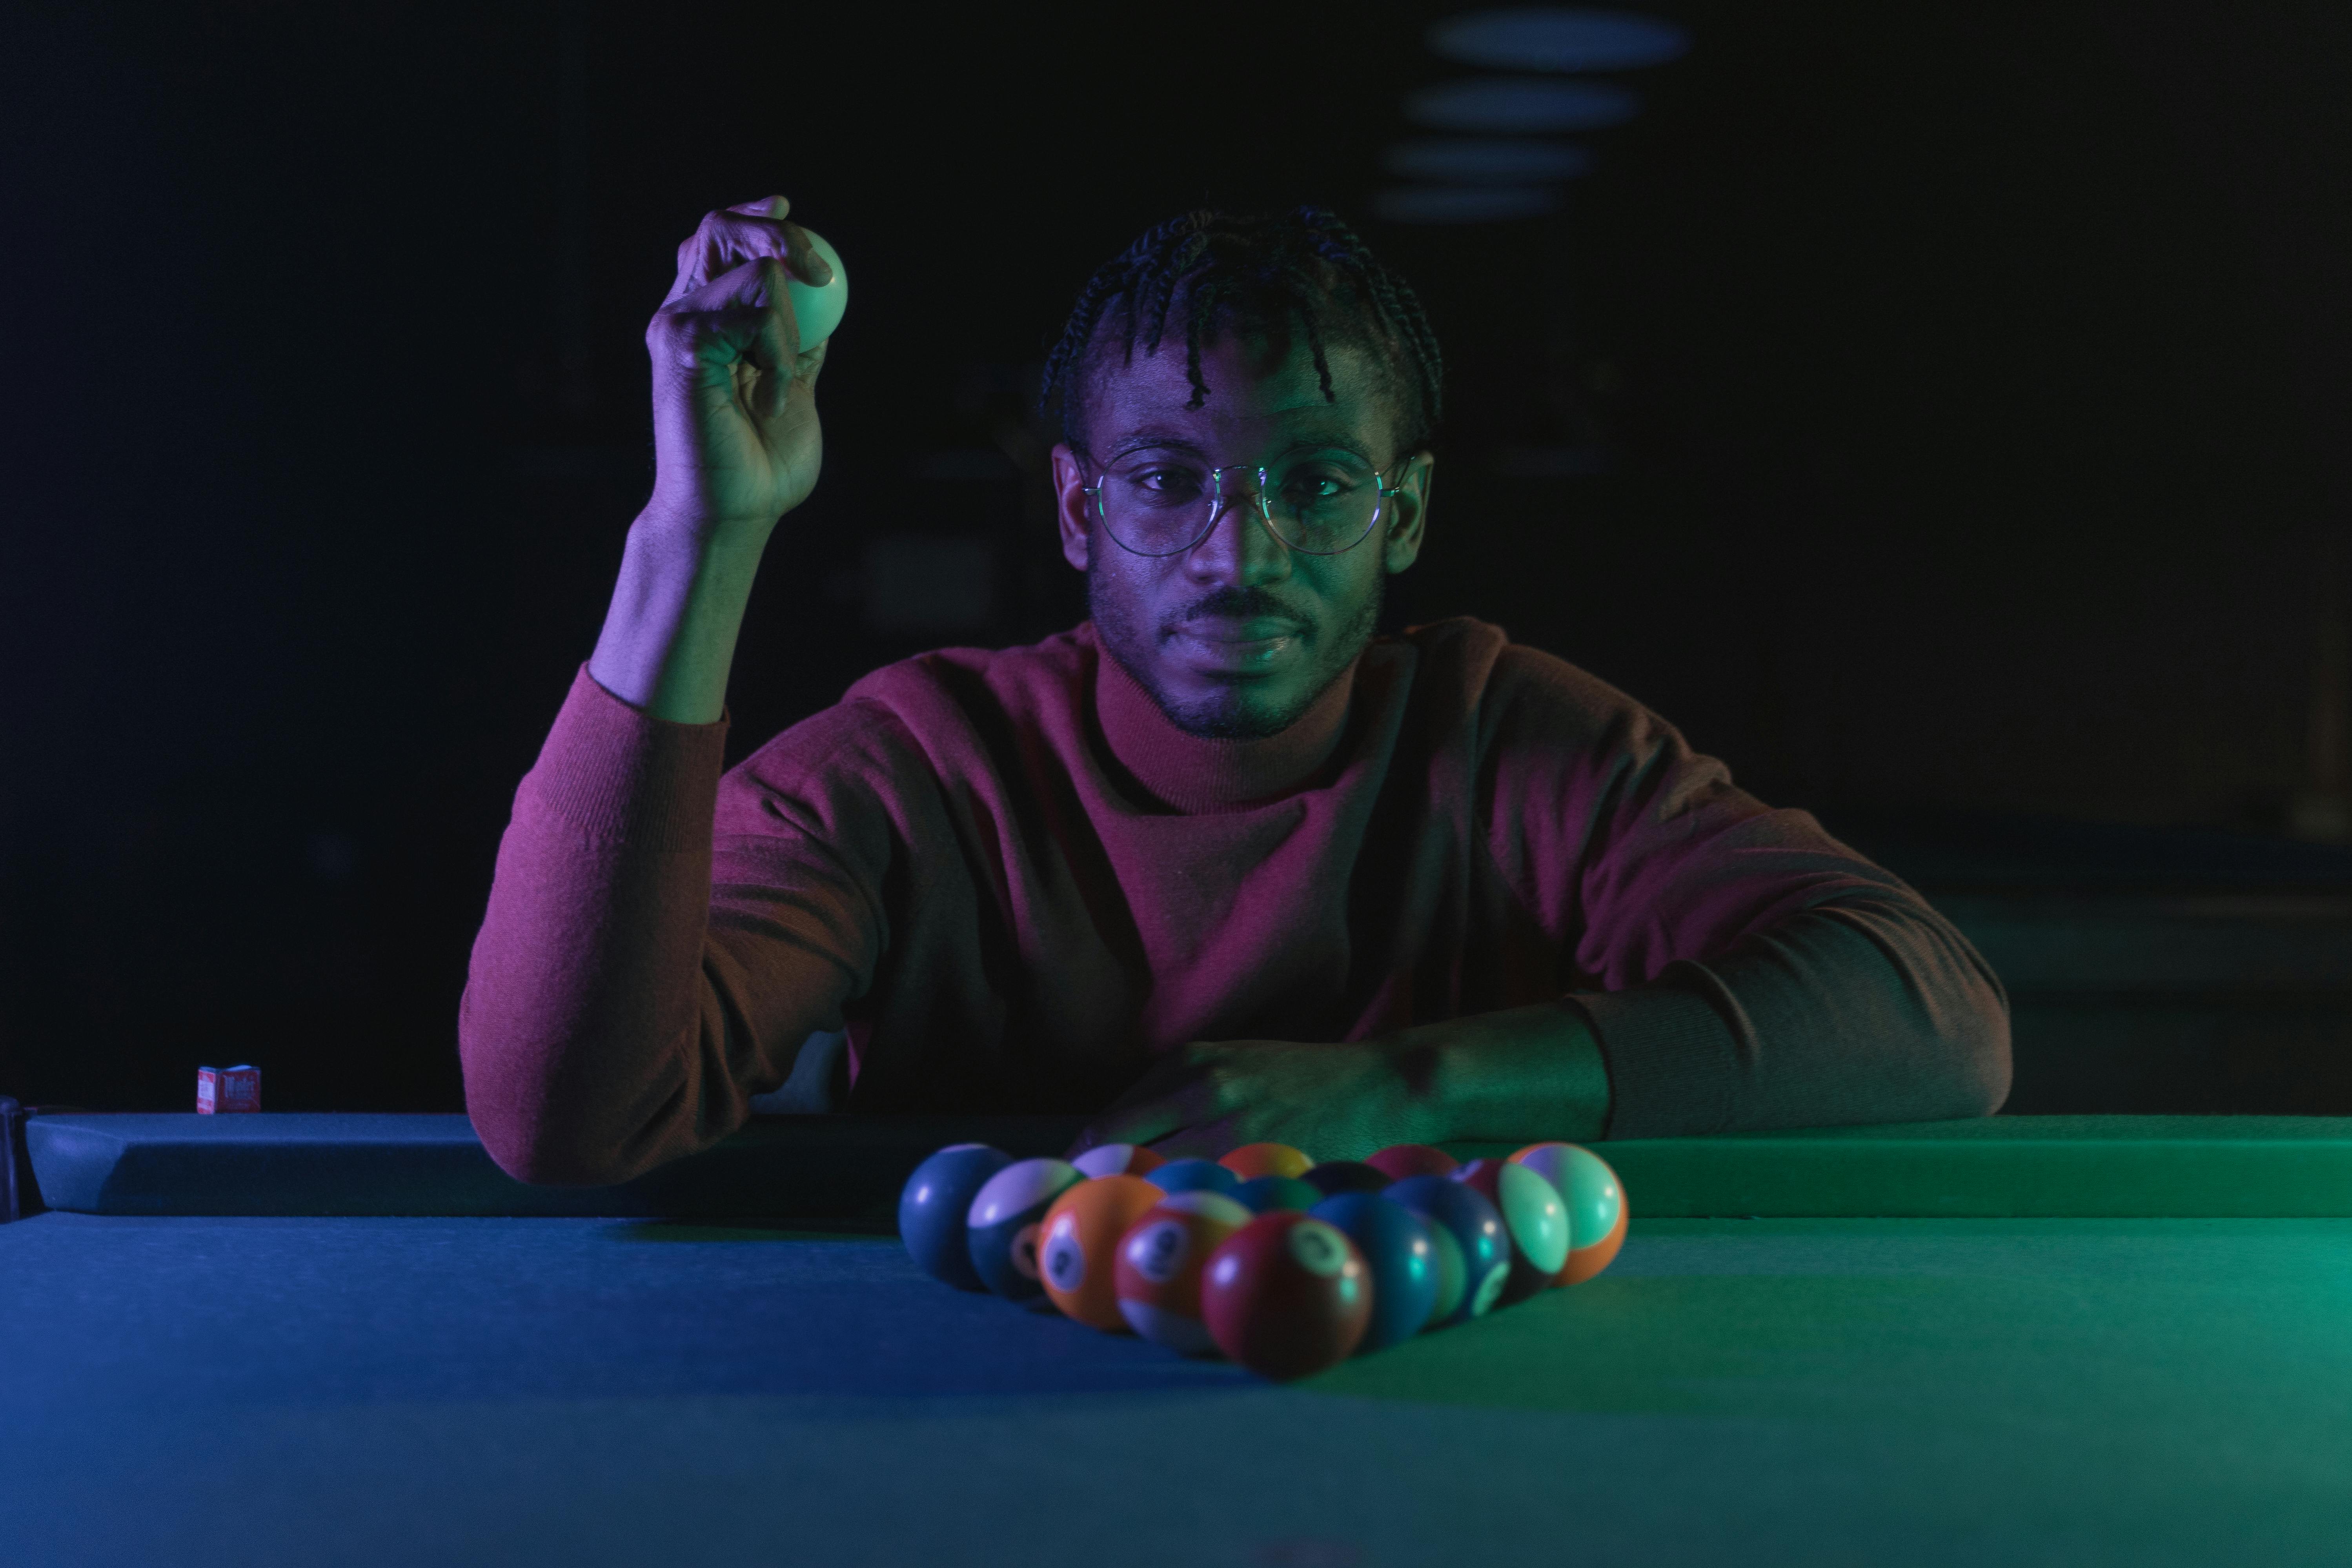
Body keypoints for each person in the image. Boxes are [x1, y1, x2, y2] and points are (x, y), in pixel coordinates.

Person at [460, 196, 2008, 1185]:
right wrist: (702, 532)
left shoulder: (1510, 733)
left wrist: (1406, 1086)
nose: (1237, 550)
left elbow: (1932, 1019)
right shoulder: (915, 767)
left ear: (1400, 514)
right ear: (1073, 511)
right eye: (1163, 481)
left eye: (1314, 481)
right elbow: (562, 1120)